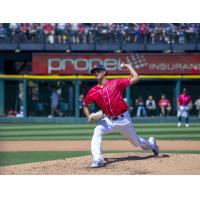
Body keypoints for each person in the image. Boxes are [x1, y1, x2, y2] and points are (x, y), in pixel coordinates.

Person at [83, 63, 159, 168]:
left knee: (136, 143)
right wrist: (89, 117)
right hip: (108, 120)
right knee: (98, 130)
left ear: (105, 72)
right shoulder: (93, 91)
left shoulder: (116, 83)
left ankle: (152, 144)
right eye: (94, 72)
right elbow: (85, 105)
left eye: (98, 70)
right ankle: (98, 159)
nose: (96, 72)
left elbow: (136, 78)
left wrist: (128, 66)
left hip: (123, 119)